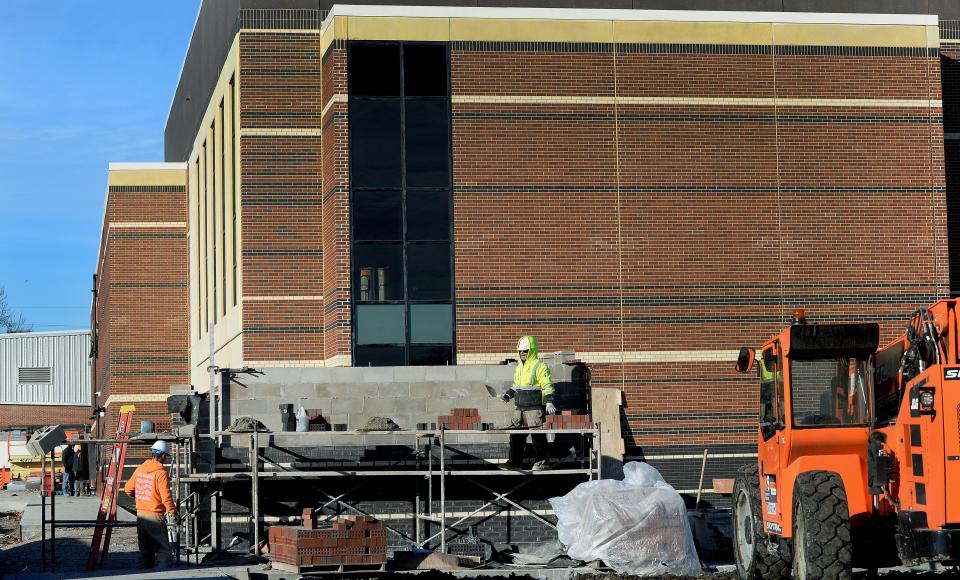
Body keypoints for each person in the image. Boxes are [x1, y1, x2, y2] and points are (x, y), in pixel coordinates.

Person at [500, 335, 556, 471]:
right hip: (519, 409)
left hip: (534, 409)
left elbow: (547, 385)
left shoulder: (540, 366)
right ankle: (514, 462)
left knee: (537, 437)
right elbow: (516, 386)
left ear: (532, 350)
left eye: (525, 350)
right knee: (516, 437)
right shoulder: (519, 367)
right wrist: (508, 394)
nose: (522, 353)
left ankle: (542, 462)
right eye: (520, 351)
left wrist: (549, 401)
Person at [124, 440, 177, 568]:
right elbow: (166, 498)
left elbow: (127, 489)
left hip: (141, 516)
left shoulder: (140, 469)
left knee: (146, 553)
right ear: (163, 455)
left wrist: (142, 497)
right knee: (164, 551)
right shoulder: (161, 473)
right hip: (155, 517)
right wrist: (174, 512)